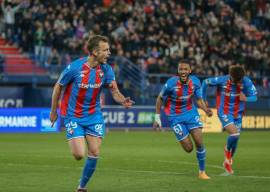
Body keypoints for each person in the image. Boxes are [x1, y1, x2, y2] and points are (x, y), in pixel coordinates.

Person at [49, 35, 134, 192]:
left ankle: (81, 187)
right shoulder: (75, 67)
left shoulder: (107, 69)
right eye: (106, 50)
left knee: (94, 151)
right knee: (79, 154)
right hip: (73, 115)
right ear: (95, 52)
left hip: (94, 115)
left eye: (109, 50)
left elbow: (115, 91)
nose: (109, 53)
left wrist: (122, 100)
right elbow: (58, 87)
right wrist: (54, 111)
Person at [153, 59, 213, 180]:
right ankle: (182, 135)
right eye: (181, 69)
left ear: (190, 70)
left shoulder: (196, 82)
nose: (183, 71)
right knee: (189, 148)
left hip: (191, 113)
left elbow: (199, 99)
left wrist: (206, 109)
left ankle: (202, 172)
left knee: (199, 141)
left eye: (186, 69)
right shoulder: (171, 83)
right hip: (175, 117)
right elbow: (160, 98)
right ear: (178, 71)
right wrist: (157, 117)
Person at [202, 64, 257, 175]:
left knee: (236, 140)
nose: (236, 82)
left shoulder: (246, 81)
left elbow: (255, 97)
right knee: (234, 134)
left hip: (238, 114)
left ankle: (228, 161)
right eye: (234, 79)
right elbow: (205, 82)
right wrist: (203, 99)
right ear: (230, 75)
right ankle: (226, 150)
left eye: (239, 80)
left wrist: (246, 98)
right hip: (224, 112)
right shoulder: (222, 80)